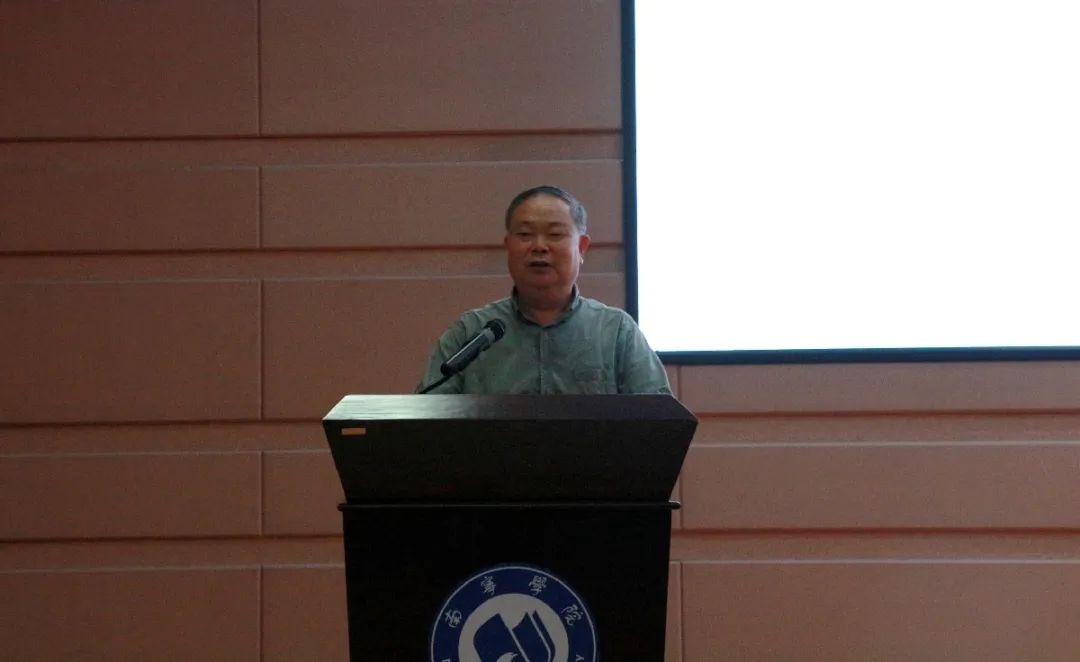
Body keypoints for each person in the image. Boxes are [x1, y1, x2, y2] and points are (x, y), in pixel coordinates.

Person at [417, 185, 670, 394]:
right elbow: (425, 419)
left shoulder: (616, 332)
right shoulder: (470, 332)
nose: (539, 246)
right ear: (508, 246)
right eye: (525, 235)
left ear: (581, 247)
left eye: (555, 234)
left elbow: (659, 422)